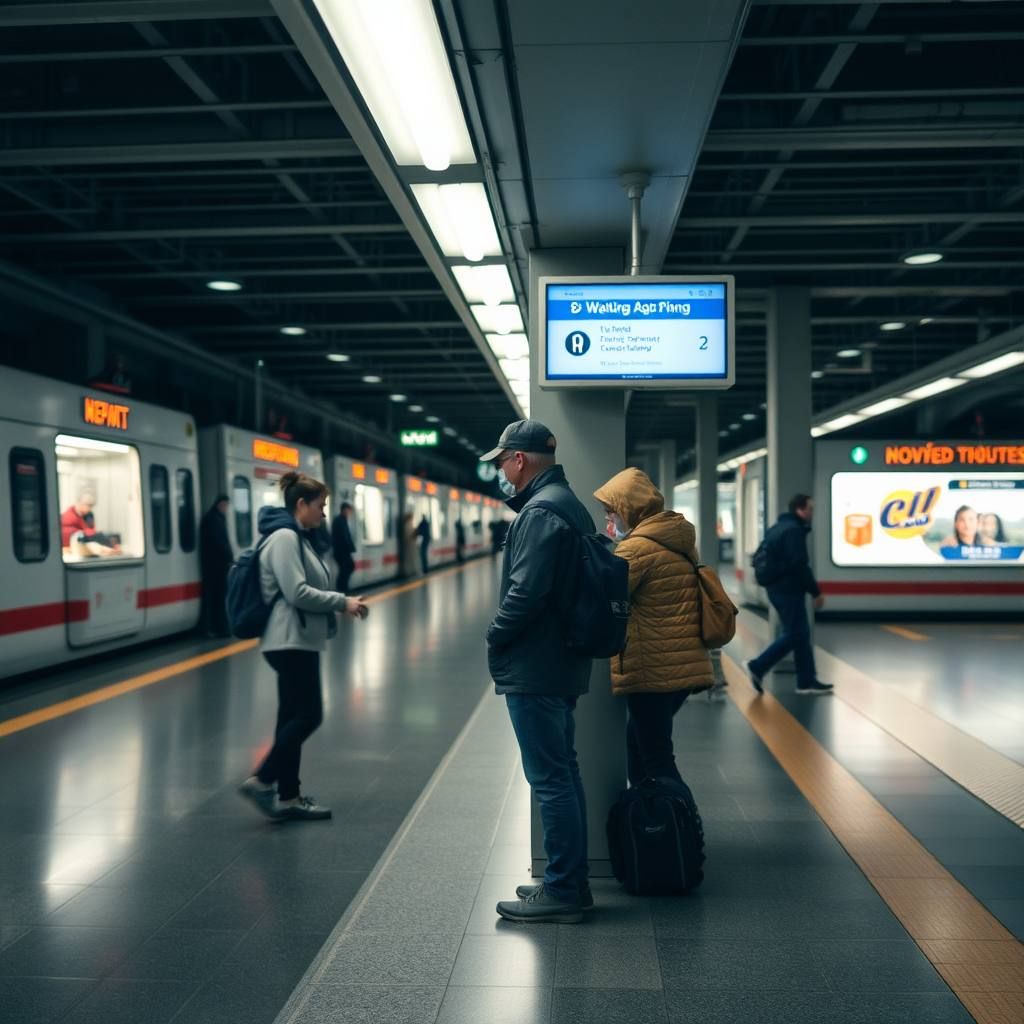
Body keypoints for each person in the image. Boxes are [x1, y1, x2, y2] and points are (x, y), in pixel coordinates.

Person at [481, 419, 594, 924]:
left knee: (551, 778)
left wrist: (494, 634)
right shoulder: (562, 503)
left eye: (502, 462)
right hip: (558, 660)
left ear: (519, 459)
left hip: (538, 663)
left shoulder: (543, 511)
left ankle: (565, 889)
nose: (502, 472)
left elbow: (526, 593)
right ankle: (565, 881)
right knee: (562, 772)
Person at [238, 471, 368, 822]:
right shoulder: (284, 538)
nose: (324, 514)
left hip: (296, 638)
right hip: (290, 639)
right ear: (301, 504)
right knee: (310, 714)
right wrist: (342, 602)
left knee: (290, 717)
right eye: (320, 506)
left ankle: (289, 795)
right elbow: (296, 592)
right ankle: (264, 779)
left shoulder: (296, 536)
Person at [593, 468, 714, 786]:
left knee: (656, 758)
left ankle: (677, 827)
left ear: (628, 509)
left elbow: (605, 598)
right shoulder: (676, 538)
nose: (609, 521)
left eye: (611, 512)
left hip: (654, 668)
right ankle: (654, 819)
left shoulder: (637, 549)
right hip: (679, 663)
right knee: (641, 748)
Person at [747, 494, 833, 696]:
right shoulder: (794, 531)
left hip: (776, 588)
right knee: (795, 633)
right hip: (788, 590)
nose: (812, 513)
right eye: (810, 509)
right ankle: (758, 666)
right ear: (800, 510)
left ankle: (806, 681)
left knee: (801, 635)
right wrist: (815, 592)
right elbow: (799, 565)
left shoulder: (776, 528)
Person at [199, 494, 233, 637]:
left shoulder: (211, 518)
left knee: (214, 598)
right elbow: (220, 543)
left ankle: (215, 627)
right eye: (225, 505)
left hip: (212, 566)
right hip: (217, 567)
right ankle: (220, 628)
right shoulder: (215, 520)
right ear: (220, 504)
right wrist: (229, 556)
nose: (226, 509)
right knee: (218, 598)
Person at [60, 489, 121, 556]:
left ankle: (112, 547)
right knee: (97, 540)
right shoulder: (68, 516)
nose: (89, 508)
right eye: (87, 505)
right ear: (80, 503)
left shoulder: (89, 515)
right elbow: (69, 534)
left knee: (113, 536)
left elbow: (91, 529)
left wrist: (93, 533)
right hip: (78, 539)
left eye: (91, 506)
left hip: (88, 536)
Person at [331, 501, 357, 592]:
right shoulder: (339, 520)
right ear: (344, 510)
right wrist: (350, 547)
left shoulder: (342, 520)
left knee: (346, 569)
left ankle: (343, 588)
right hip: (341, 552)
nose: (350, 513)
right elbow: (343, 537)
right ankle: (342, 588)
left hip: (343, 551)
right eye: (349, 511)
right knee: (346, 569)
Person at [400, 512, 420, 577]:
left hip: (411, 544)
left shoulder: (409, 525)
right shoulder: (407, 525)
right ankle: (410, 571)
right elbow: (409, 536)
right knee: (410, 558)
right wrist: (415, 533)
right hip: (410, 544)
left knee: (412, 558)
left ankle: (412, 571)